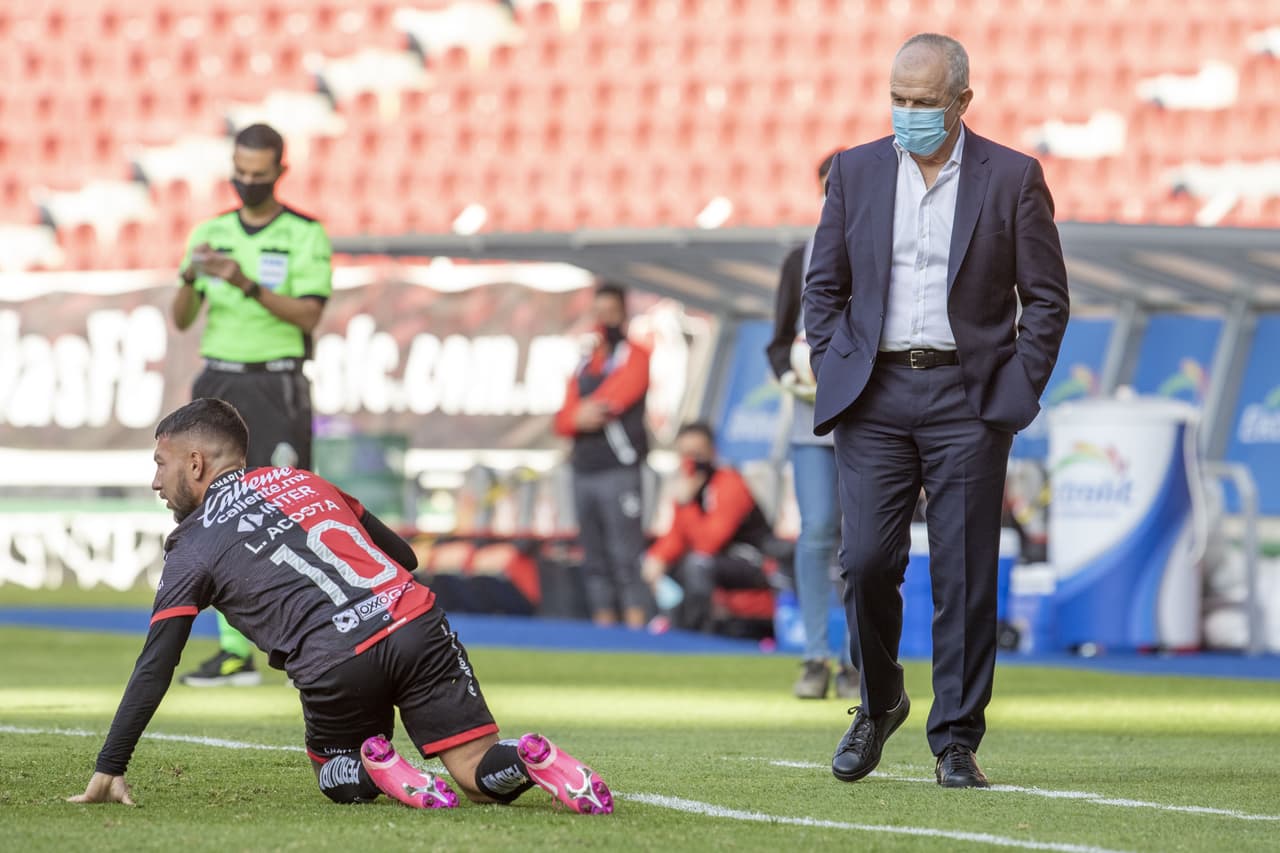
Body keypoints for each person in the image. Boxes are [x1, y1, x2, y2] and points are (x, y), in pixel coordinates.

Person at [67, 399, 612, 815]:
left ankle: (378, 769)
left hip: (336, 663)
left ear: (195, 463)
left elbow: (157, 662)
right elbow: (404, 555)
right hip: (415, 624)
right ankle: (531, 758)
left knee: (337, 775)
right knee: (475, 773)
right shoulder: (305, 480)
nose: (155, 481)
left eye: (160, 464)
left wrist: (110, 765)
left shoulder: (193, 544)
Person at [804, 33, 1068, 788]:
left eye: (923, 102)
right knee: (865, 561)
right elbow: (823, 288)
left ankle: (955, 738)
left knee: (964, 573)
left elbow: (1046, 298)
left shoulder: (1013, 177)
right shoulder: (854, 171)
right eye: (898, 99)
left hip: (967, 397)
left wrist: (1016, 390)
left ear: (962, 102)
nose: (907, 114)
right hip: (874, 395)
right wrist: (834, 362)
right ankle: (880, 699)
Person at [171, 123, 333, 687]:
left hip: (277, 382)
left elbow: (308, 316)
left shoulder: (305, 234)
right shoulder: (210, 230)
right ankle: (233, 650)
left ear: (280, 173)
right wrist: (192, 276)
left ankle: (309, 640)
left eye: (258, 175)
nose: (247, 182)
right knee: (206, 512)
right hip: (219, 379)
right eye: (240, 172)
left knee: (286, 511)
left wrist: (243, 282)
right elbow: (183, 316)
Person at [766, 151, 858, 700]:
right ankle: (815, 657)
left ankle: (856, 659)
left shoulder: (884, 252)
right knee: (819, 529)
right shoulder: (800, 257)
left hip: (869, 421)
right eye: (830, 187)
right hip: (810, 425)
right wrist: (790, 377)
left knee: (860, 542)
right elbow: (778, 341)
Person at [553, 282, 652, 629]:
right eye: (600, 313)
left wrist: (580, 415)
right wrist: (576, 417)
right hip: (584, 470)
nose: (605, 320)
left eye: (611, 312)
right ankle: (604, 633)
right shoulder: (585, 362)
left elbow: (614, 401)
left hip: (618, 469)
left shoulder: (634, 354)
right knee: (594, 556)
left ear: (624, 314)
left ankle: (636, 633)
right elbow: (563, 418)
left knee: (625, 556)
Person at [640, 422, 775, 634]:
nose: (690, 461)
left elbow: (709, 543)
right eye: (684, 454)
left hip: (750, 560)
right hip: (713, 559)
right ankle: (662, 624)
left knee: (697, 564)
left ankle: (697, 632)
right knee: (652, 561)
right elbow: (676, 537)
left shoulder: (728, 482)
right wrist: (657, 558)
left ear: (712, 452)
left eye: (697, 453)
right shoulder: (688, 485)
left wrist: (687, 504)